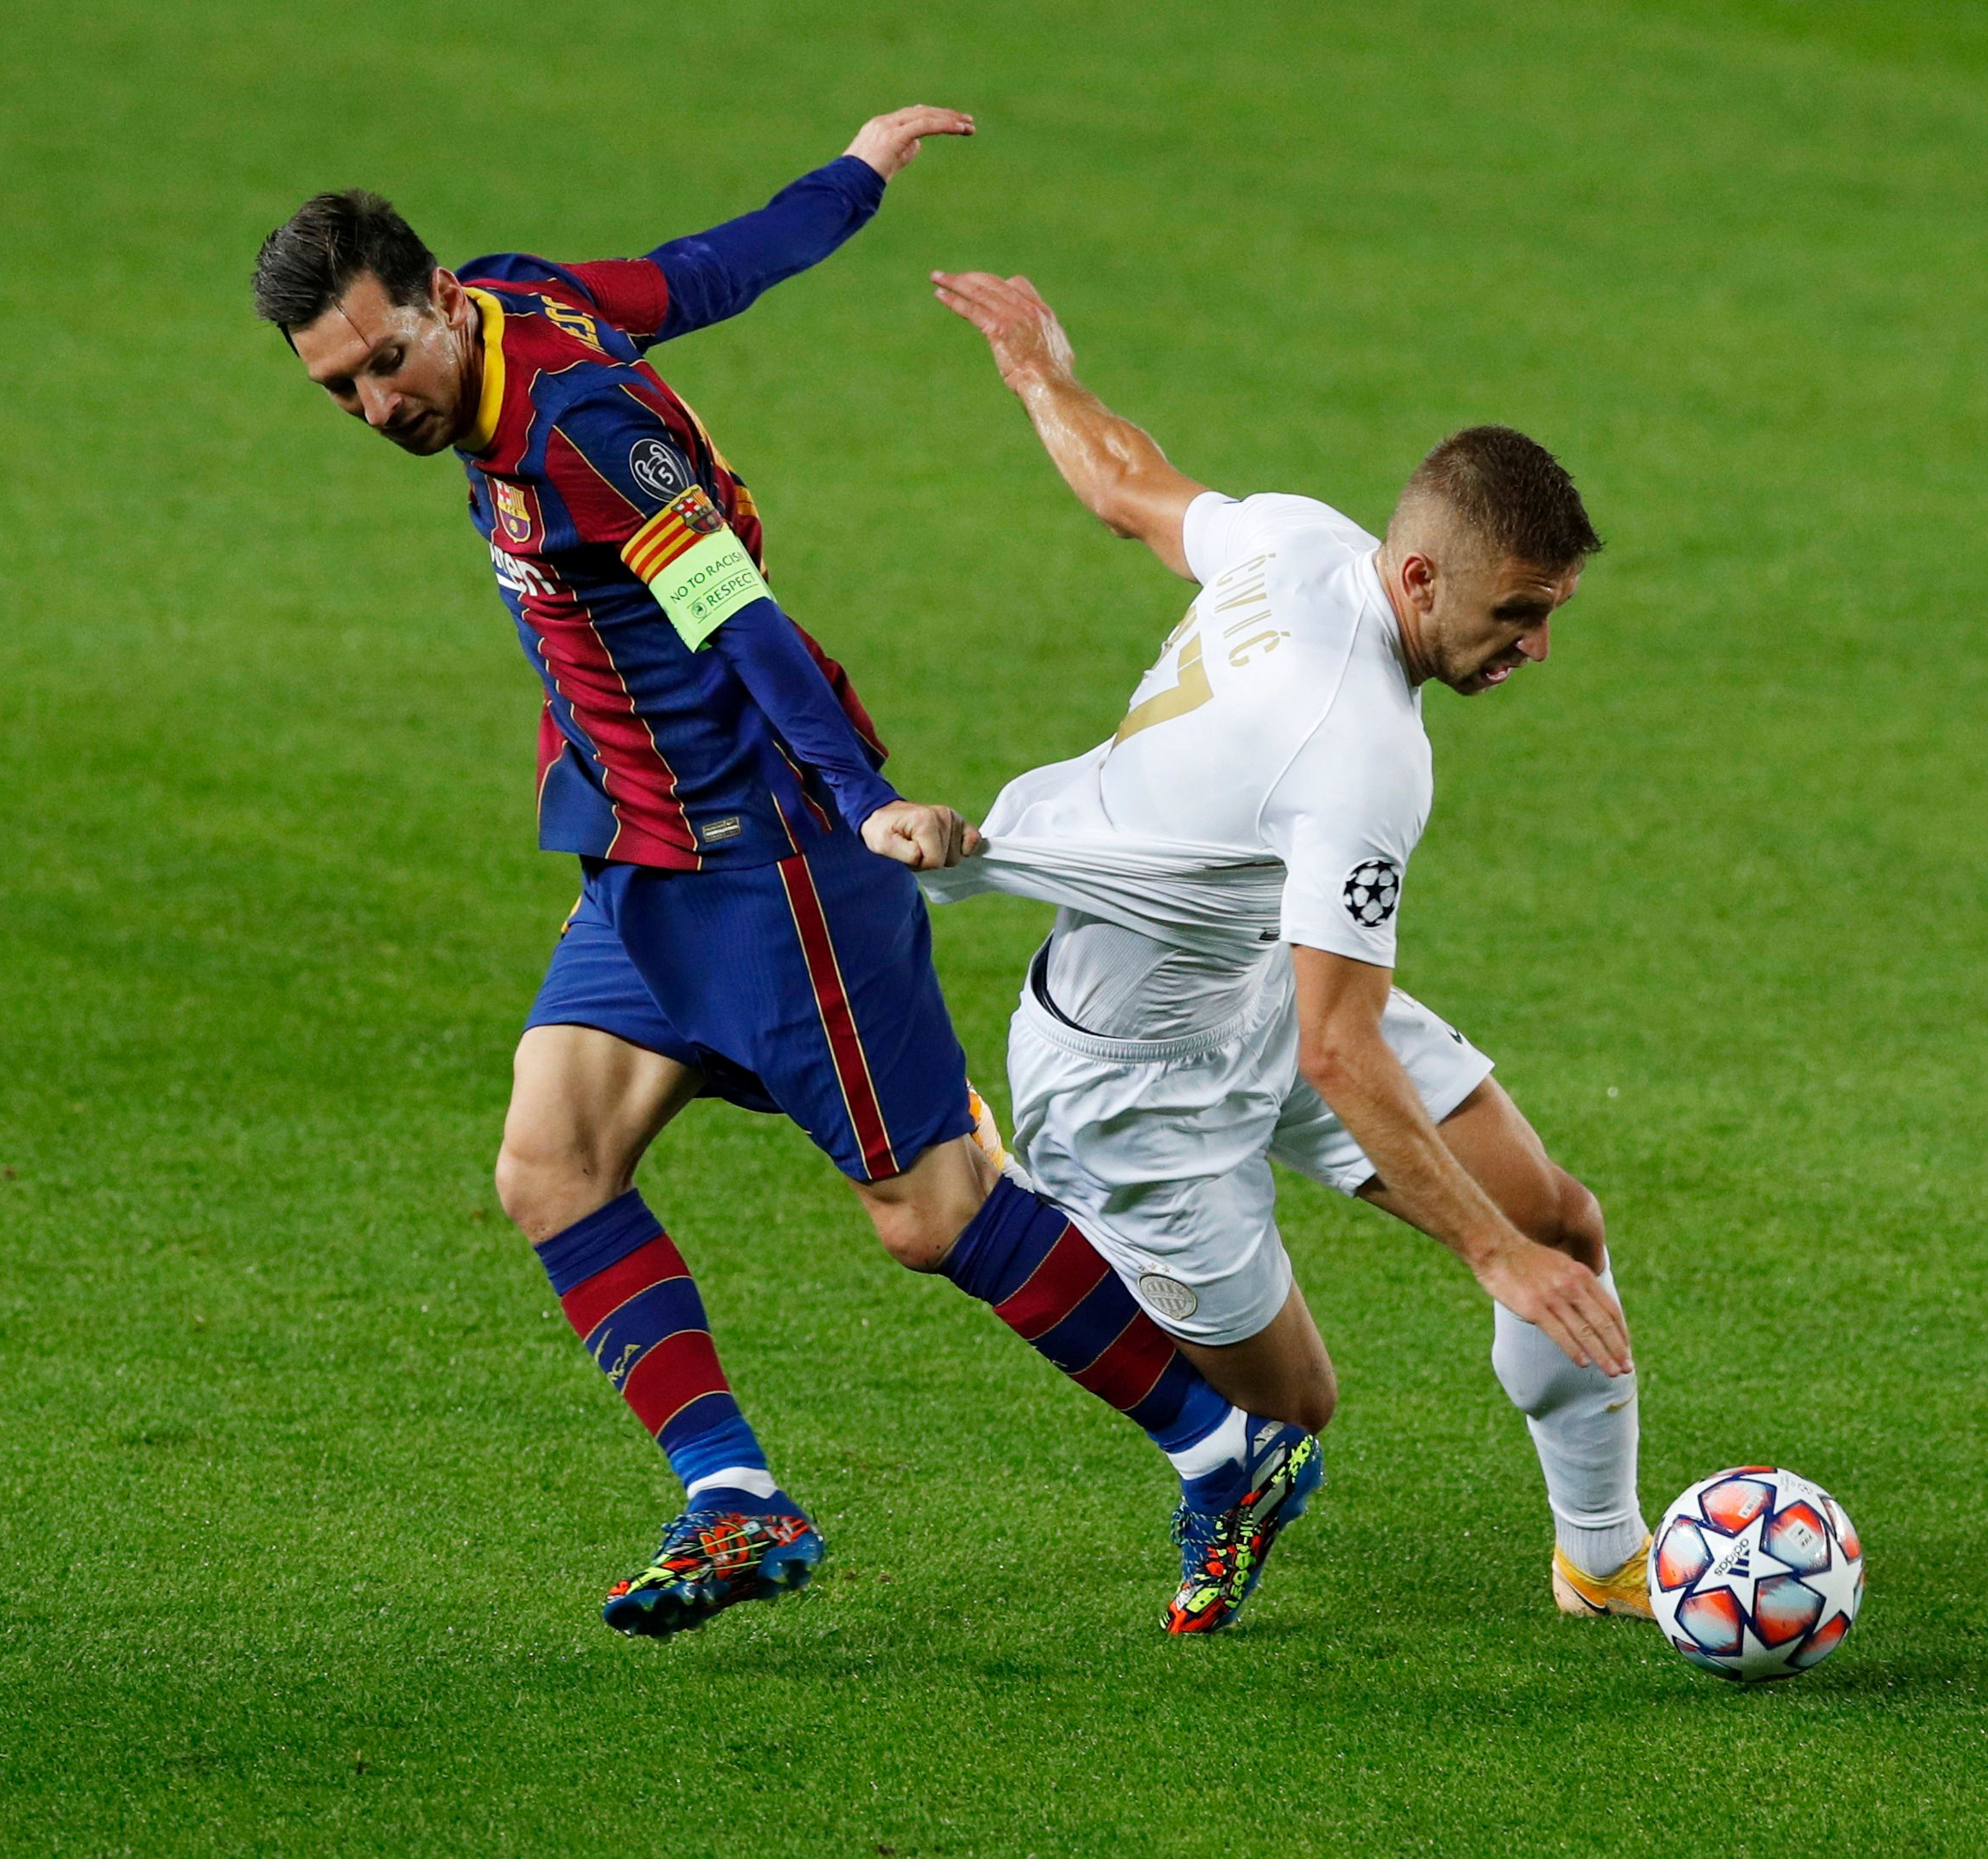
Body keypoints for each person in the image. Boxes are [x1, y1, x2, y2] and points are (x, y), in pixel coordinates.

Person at [248, 113, 1314, 1640]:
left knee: (934, 1208)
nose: (371, 403)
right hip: (639, 855)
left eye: (380, 361)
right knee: (551, 1167)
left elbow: (738, 616)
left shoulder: (582, 431)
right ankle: (735, 1500)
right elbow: (701, 272)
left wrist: (866, 798)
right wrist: (859, 175)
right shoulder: (519, 295)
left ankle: (1231, 1449)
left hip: (769, 857)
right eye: (337, 386)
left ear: (432, 300)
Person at [922, 268, 1653, 1617]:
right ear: (1423, 575)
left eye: (1552, 614)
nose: (1539, 649)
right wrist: (1490, 1256)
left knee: (1563, 1215)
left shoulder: (1306, 542)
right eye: (1518, 614)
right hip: (1132, 1076)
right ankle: (1010, 1200)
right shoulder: (1361, 747)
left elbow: (1129, 485)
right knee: (1293, 1406)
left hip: (1252, 973)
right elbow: (1340, 1047)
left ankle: (1603, 1559)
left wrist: (1041, 374)